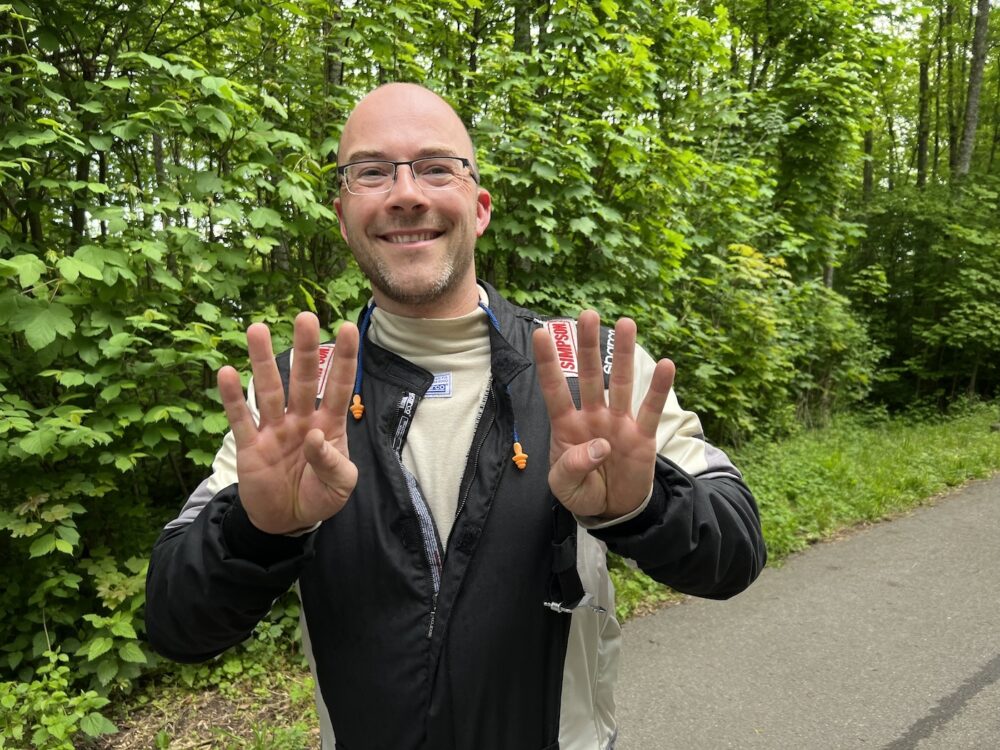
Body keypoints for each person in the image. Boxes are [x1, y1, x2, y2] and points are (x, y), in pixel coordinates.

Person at [145, 83, 766, 750]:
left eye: (437, 167)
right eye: (372, 171)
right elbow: (177, 624)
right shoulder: (302, 401)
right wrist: (258, 532)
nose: (406, 192)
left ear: (481, 206)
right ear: (342, 214)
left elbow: (734, 556)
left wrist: (641, 509)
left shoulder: (591, 373)